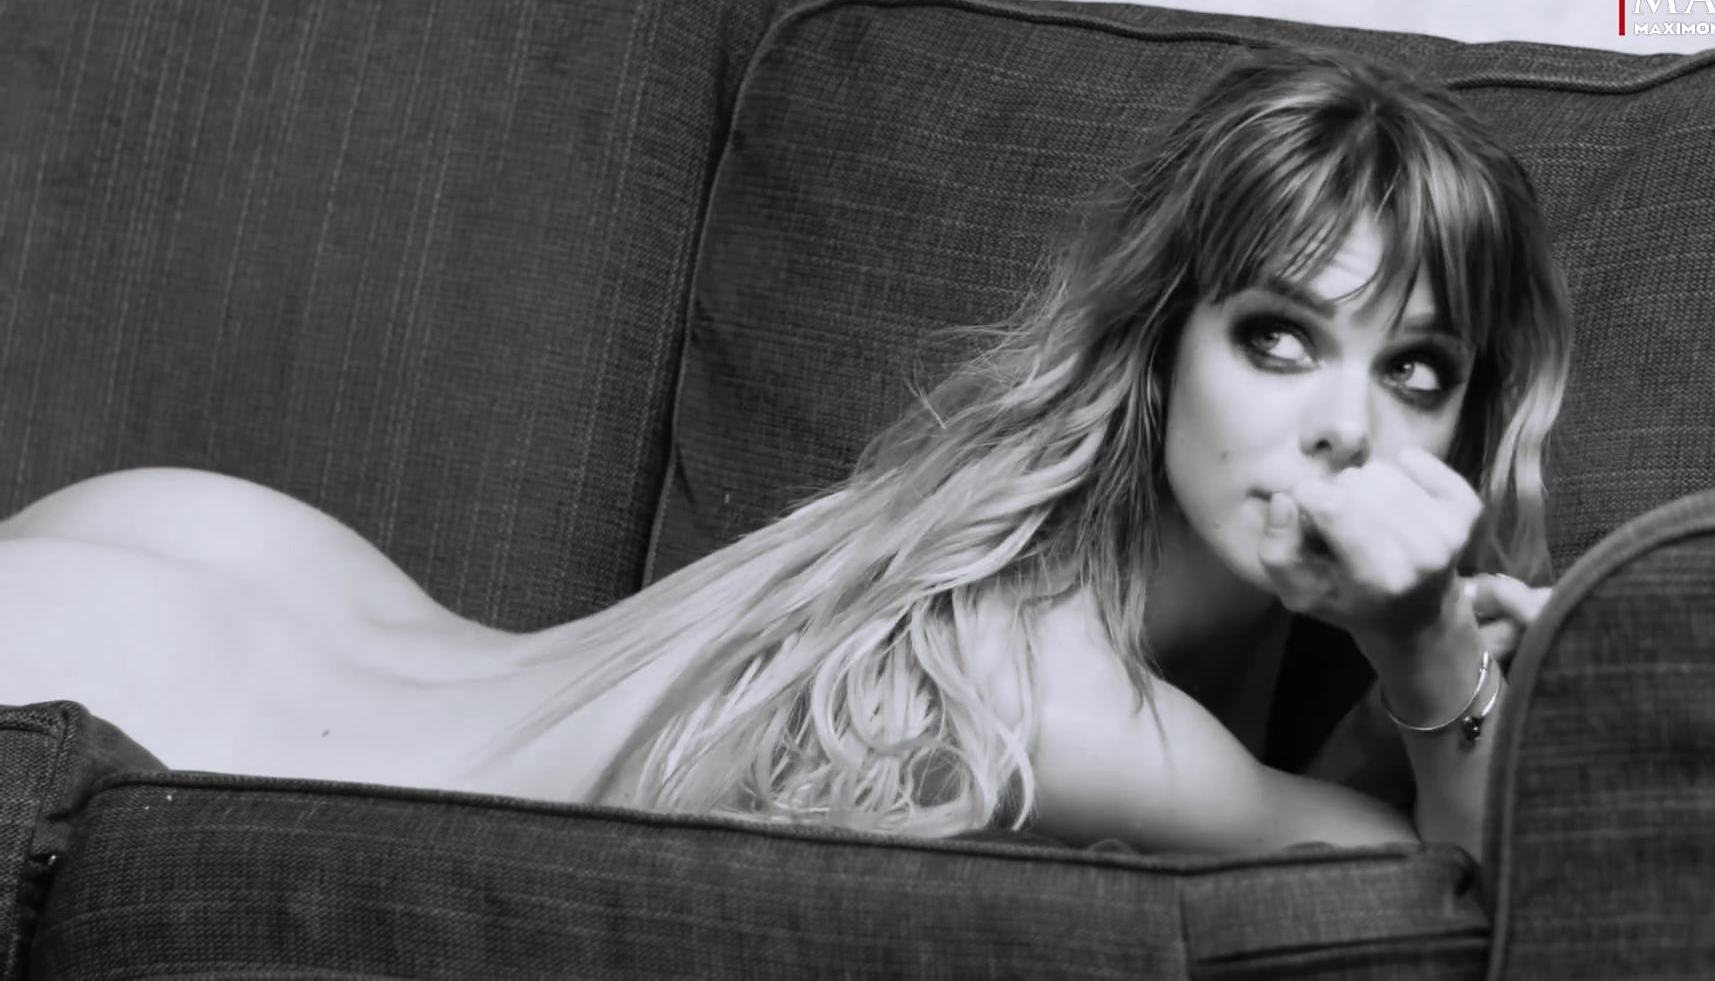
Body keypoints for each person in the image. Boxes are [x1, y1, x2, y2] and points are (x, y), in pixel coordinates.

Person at [0, 43, 1570, 864]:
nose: (1347, 423)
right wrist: (1431, 657)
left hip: (285, 585)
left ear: (1469, 415)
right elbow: (1449, 919)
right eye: (1279, 337)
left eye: (1415, 367)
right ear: (1163, 349)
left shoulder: (1126, 629)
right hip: (162, 686)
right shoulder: (1052, 695)